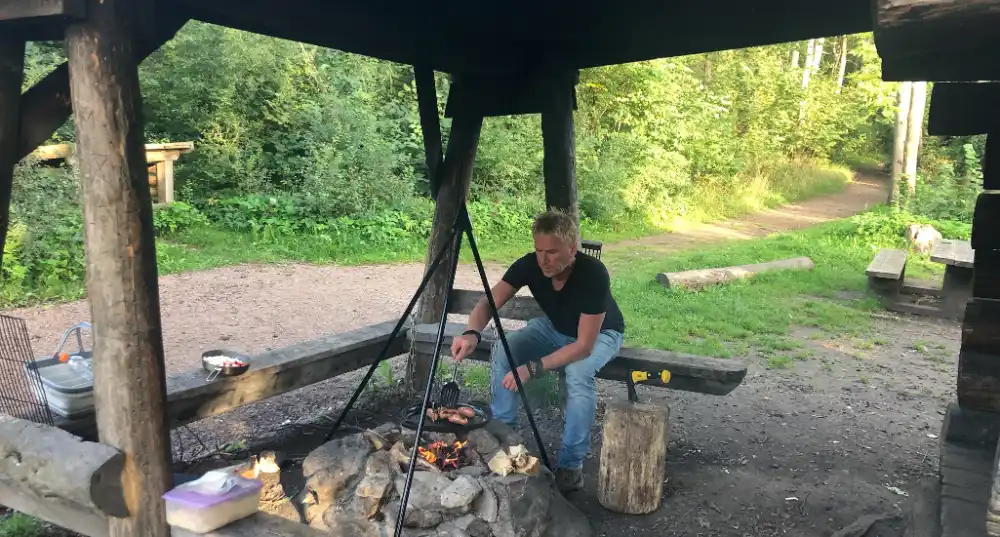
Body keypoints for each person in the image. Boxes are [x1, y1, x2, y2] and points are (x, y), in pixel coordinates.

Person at [450, 209, 625, 493]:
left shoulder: (592, 274)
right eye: (539, 250)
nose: (543, 259)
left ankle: (570, 466)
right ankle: (505, 441)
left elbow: (583, 346)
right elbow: (487, 303)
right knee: (506, 349)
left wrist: (533, 368)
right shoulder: (530, 265)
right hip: (553, 329)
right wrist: (472, 332)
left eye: (553, 252)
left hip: (601, 333)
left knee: (578, 372)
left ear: (572, 247)